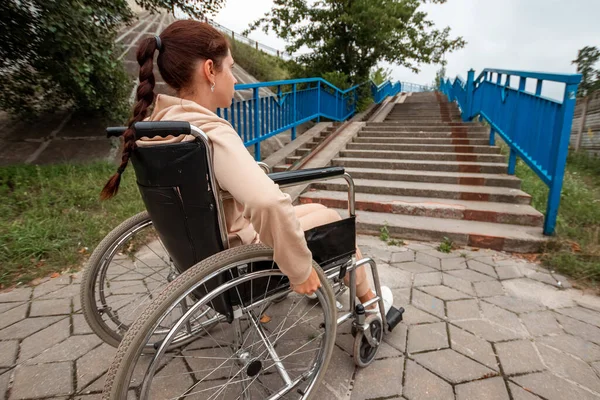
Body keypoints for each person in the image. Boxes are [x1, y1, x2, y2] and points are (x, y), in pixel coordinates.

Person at [100, 19, 393, 314]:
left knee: (315, 210)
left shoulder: (156, 126)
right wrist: (300, 271)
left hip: (201, 248)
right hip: (239, 253)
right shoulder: (209, 133)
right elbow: (267, 203)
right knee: (331, 219)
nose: (235, 79)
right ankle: (370, 302)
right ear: (210, 70)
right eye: (229, 67)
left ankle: (332, 282)